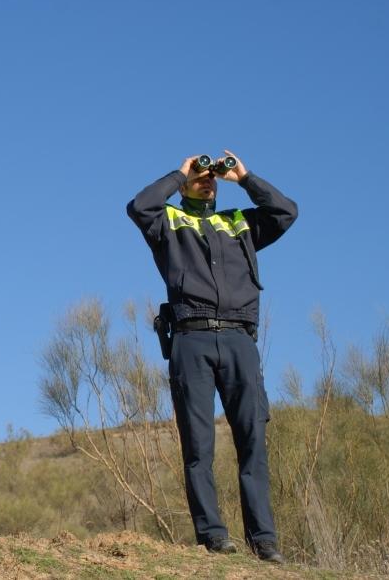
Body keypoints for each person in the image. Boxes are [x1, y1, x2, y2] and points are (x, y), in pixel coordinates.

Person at [127, 150, 297, 563]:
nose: (207, 180)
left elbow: (285, 212)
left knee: (253, 441)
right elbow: (139, 206)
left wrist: (244, 177)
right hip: (191, 339)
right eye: (200, 177)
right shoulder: (167, 221)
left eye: (211, 177)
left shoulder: (239, 222)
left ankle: (265, 541)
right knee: (198, 446)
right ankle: (214, 535)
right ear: (186, 184)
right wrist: (181, 172)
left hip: (240, 340)